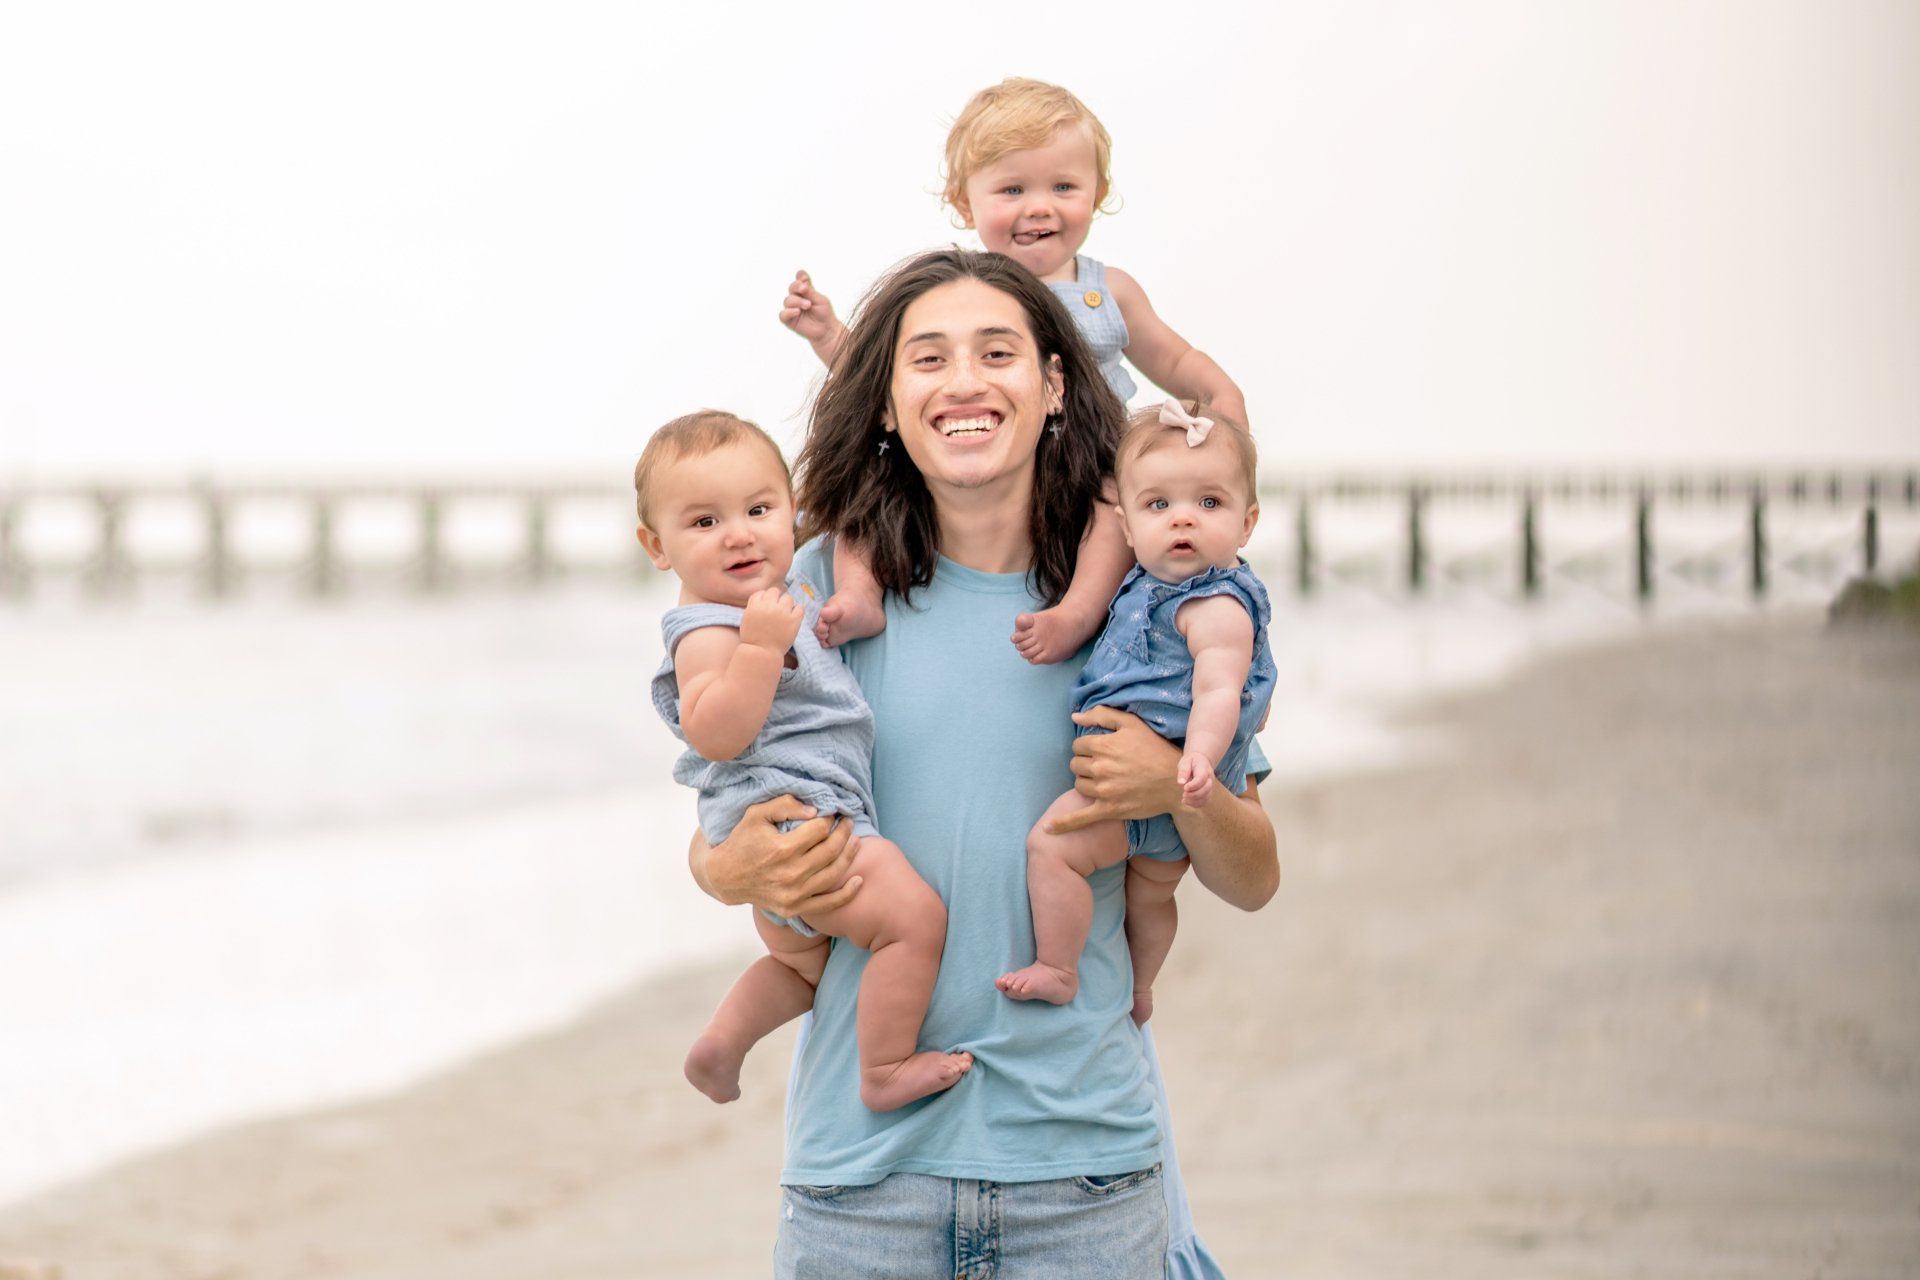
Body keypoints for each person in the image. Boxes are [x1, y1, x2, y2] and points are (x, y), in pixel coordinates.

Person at [690, 248, 1278, 1278]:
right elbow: (720, 817)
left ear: (1054, 385)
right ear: (883, 401)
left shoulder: (1148, 605)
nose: (964, 380)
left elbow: (1254, 874)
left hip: (1086, 1173)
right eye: (928, 358)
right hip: (859, 1182)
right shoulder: (811, 597)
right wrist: (728, 868)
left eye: (997, 351)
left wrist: (1169, 792)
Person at [778, 78, 1247, 665]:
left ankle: (1079, 611)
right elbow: (886, 382)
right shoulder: (965, 295)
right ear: (962, 201)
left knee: (1115, 505)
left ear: (1098, 192)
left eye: (1064, 185)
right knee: (864, 499)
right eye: (1013, 188)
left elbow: (1175, 360)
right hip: (1009, 468)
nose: (1039, 206)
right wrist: (829, 335)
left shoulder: (1107, 291)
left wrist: (1221, 405)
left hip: (1091, 457)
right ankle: (860, 593)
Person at [638, 410, 974, 1112]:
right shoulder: (707, 627)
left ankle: (722, 1044)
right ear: (656, 546)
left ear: (793, 512)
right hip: (800, 818)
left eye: (759, 509)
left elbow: (855, 504)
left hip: (794, 820)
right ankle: (883, 1070)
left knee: (801, 966)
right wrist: (759, 650)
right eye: (703, 522)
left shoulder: (778, 588)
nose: (738, 533)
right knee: (913, 922)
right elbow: (713, 733)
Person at [998, 400, 1277, 1029]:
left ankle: (1060, 968)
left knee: (1052, 847)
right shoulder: (1143, 585)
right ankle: (1140, 986)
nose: (1183, 519)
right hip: (1152, 801)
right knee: (1149, 897)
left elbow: (1218, 691)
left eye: (1209, 504)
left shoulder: (1215, 604)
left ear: (1247, 522)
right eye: (1159, 506)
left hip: (1162, 787)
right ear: (1123, 525)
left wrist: (1190, 768)